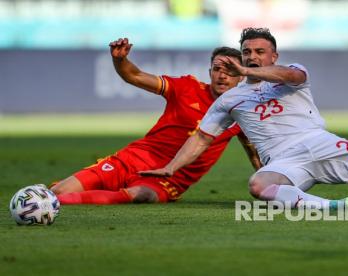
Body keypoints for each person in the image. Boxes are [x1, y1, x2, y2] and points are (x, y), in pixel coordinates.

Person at [141, 27, 348, 208]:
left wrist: (247, 72)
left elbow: (291, 77)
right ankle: (333, 208)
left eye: (258, 52)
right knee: (259, 184)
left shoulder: (291, 73)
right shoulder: (230, 99)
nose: (252, 57)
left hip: (321, 143)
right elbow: (201, 137)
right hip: (283, 160)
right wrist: (171, 167)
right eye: (247, 52)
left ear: (273, 55)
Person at [51, 38, 261, 204]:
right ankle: (47, 200)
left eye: (230, 71)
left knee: (141, 195)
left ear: (241, 76)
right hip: (134, 158)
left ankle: (56, 204)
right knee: (59, 190)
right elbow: (135, 76)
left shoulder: (242, 112)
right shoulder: (186, 87)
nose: (222, 76)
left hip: (170, 179)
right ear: (210, 72)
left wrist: (270, 187)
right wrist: (119, 60)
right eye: (217, 70)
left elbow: (256, 156)